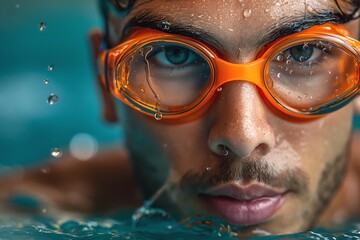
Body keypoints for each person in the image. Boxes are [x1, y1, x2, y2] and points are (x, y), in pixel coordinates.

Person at [1, 0, 360, 237]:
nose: (242, 136)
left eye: (302, 53)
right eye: (174, 56)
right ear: (104, 83)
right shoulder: (21, 212)